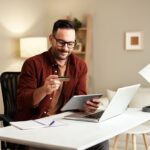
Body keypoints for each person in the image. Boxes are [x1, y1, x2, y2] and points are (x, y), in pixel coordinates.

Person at [15, 19, 109, 150]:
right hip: (36, 126)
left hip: (64, 124)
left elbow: (80, 97)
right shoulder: (32, 64)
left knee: (101, 142)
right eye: (61, 42)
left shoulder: (80, 66)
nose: (65, 48)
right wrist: (44, 90)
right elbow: (22, 101)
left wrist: (87, 106)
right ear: (51, 39)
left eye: (70, 44)